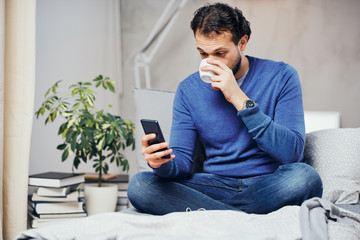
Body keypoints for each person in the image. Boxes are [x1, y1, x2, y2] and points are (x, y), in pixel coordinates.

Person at [127, 2, 322, 215]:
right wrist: (161, 163)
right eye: (203, 53)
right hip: (214, 185)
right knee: (140, 185)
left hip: (268, 183)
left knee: (305, 178)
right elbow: (182, 162)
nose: (210, 62)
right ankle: (240, 214)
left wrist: (238, 97)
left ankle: (216, 214)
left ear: (242, 42)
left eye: (220, 53)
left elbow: (291, 153)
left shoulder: (282, 76)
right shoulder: (188, 90)